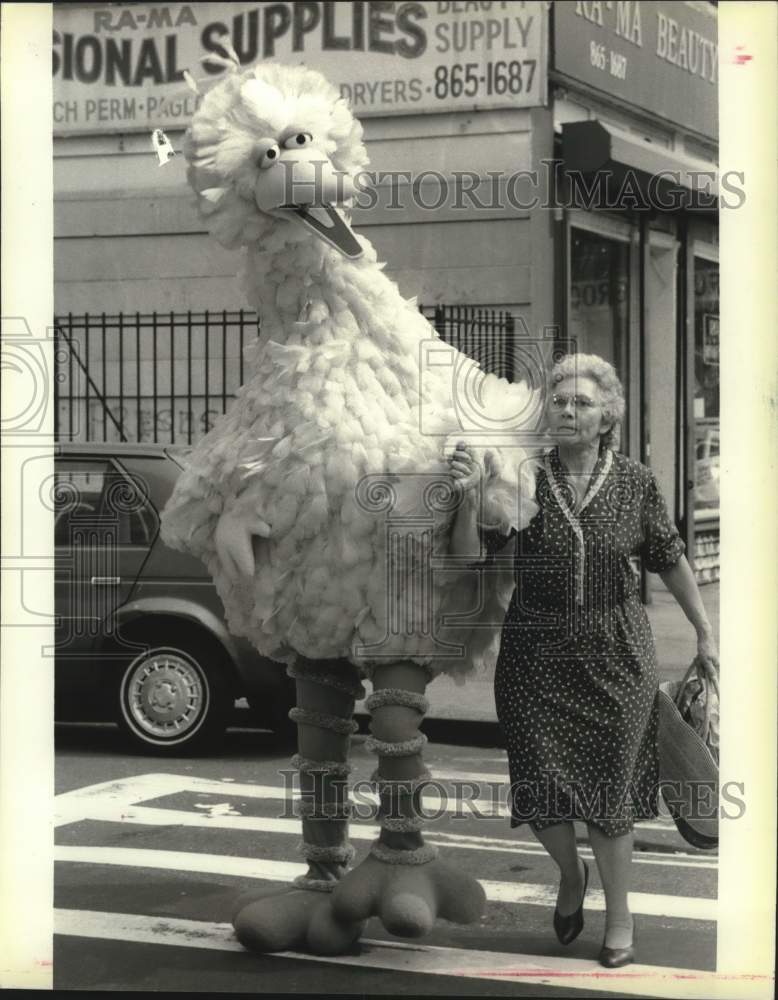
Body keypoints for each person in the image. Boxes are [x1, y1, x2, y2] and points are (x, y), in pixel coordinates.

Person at [448, 353, 719, 968]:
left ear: (607, 417)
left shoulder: (635, 482)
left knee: (609, 794)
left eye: (583, 403)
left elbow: (671, 556)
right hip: (535, 652)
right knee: (540, 786)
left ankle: (619, 920)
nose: (569, 411)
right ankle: (571, 875)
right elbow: (471, 558)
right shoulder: (520, 478)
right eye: (560, 401)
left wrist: (705, 631)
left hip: (617, 652)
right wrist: (468, 498)